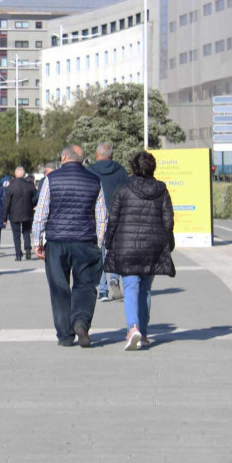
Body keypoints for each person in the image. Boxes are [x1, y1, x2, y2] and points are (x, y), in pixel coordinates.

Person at [32, 145, 107, 348]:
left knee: (59, 287)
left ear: (64, 157)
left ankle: (65, 335)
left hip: (57, 242)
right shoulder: (94, 180)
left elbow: (42, 212)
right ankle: (81, 322)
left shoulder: (51, 179)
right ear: (81, 160)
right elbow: (102, 216)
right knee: (85, 285)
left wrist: (37, 242)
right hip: (85, 241)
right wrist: (99, 243)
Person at [104, 151, 175, 351]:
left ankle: (132, 327)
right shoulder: (161, 189)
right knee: (145, 289)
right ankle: (143, 333)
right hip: (153, 247)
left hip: (126, 246)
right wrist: (169, 242)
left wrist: (108, 242)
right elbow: (168, 220)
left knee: (131, 288)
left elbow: (114, 219)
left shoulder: (123, 189)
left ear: (133, 168)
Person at [88, 142, 129, 302]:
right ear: (111, 155)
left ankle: (103, 290)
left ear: (98, 155)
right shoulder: (120, 170)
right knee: (114, 250)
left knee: (100, 250)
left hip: (96, 216)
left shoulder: (90, 171)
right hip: (117, 215)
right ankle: (114, 278)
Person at [3, 166, 37, 261]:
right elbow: (36, 197)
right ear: (24, 174)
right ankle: (28, 248)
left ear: (15, 174)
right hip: (27, 212)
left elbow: (6, 203)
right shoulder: (30, 185)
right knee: (26, 231)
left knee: (16, 234)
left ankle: (18, 254)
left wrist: (4, 217)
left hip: (14, 213)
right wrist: (31, 205)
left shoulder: (10, 187)